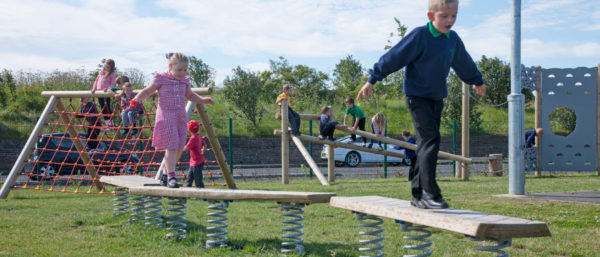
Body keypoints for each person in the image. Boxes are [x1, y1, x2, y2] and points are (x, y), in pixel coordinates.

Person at [357, 0, 486, 209]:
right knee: (431, 138)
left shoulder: (452, 40)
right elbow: (394, 57)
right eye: (444, 16)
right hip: (416, 97)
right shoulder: (420, 36)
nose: (450, 20)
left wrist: (477, 80)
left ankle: (417, 194)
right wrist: (372, 79)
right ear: (430, 16)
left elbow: (463, 62)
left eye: (454, 16)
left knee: (426, 143)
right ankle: (429, 192)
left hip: (437, 97)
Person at [132, 52, 214, 188]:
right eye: (179, 69)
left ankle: (166, 172)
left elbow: (190, 95)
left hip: (180, 116)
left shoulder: (185, 80)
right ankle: (171, 176)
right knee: (171, 145)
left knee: (179, 147)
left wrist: (203, 99)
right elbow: (147, 91)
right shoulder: (161, 78)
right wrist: (136, 99)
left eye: (185, 70)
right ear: (170, 66)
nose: (182, 73)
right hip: (166, 115)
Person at [91, 59, 116, 128]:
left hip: (106, 93)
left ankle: (111, 124)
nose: (106, 68)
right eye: (105, 67)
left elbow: (112, 84)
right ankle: (107, 124)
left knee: (107, 107)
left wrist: (108, 88)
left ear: (111, 68)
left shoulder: (112, 74)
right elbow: (96, 81)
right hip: (99, 93)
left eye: (108, 67)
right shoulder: (101, 73)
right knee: (103, 108)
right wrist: (94, 88)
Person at [184, 120, 206, 188]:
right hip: (195, 162)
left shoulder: (193, 138)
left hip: (196, 163)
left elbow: (186, 149)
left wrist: (180, 147)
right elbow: (205, 144)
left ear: (189, 129)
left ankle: (203, 196)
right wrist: (203, 150)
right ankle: (186, 193)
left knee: (198, 181)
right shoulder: (198, 136)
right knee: (189, 179)